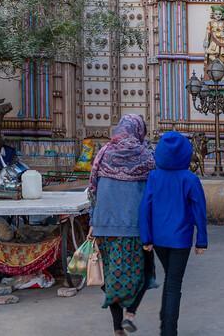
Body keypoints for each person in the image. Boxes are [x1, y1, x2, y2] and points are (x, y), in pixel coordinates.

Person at [89, 114, 156, 336]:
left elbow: (93, 190)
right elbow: (153, 194)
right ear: (139, 130)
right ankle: (130, 315)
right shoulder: (146, 156)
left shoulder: (103, 153)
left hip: (104, 227)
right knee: (145, 274)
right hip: (135, 229)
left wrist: (93, 220)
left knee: (111, 276)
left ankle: (118, 327)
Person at [139, 132, 208, 336]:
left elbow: (145, 207)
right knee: (173, 284)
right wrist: (201, 241)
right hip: (181, 239)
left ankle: (165, 326)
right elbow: (199, 211)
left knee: (170, 280)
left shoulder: (154, 177)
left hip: (158, 239)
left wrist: (146, 237)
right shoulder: (190, 179)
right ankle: (169, 331)